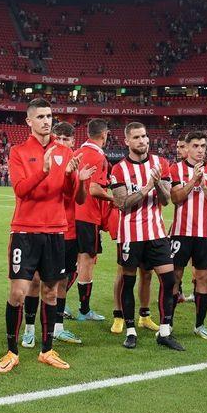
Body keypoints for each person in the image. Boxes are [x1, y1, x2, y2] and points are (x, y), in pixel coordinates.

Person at [0, 98, 85, 373]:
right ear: (29, 121)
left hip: (57, 231)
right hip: (25, 230)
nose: (47, 121)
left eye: (49, 116)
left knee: (50, 291)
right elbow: (21, 190)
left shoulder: (65, 152)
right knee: (18, 292)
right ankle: (12, 351)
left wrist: (72, 176)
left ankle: (47, 350)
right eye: (41, 117)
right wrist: (43, 171)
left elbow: (74, 197)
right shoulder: (19, 151)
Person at [108, 122, 185, 351]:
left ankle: (164, 331)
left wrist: (159, 185)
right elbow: (122, 204)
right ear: (127, 141)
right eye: (137, 137)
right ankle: (130, 331)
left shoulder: (161, 163)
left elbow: (165, 200)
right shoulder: (119, 169)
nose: (143, 141)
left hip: (156, 232)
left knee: (169, 280)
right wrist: (146, 186)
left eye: (145, 136)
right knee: (128, 281)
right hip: (130, 234)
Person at [22, 122, 92, 348]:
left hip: (67, 231)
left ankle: (58, 327)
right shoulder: (48, 157)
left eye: (66, 139)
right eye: (58, 138)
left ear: (73, 141)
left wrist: (79, 179)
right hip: (42, 228)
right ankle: (29, 328)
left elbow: (79, 199)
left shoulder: (75, 159)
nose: (61, 143)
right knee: (33, 281)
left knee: (60, 282)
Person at [167, 130, 207, 340]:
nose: (200, 150)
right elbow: (176, 198)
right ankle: (168, 324)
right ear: (187, 148)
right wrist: (193, 182)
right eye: (196, 146)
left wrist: (204, 186)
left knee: (203, 278)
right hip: (181, 233)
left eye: (203, 146)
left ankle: (199, 325)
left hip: (205, 235)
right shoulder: (176, 169)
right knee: (175, 279)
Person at [71, 118, 112, 323]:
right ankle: (84, 310)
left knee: (70, 263)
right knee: (86, 262)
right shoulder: (98, 157)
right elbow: (95, 189)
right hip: (87, 217)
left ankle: (57, 305)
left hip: (69, 215)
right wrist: (115, 198)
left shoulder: (76, 153)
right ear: (104, 134)